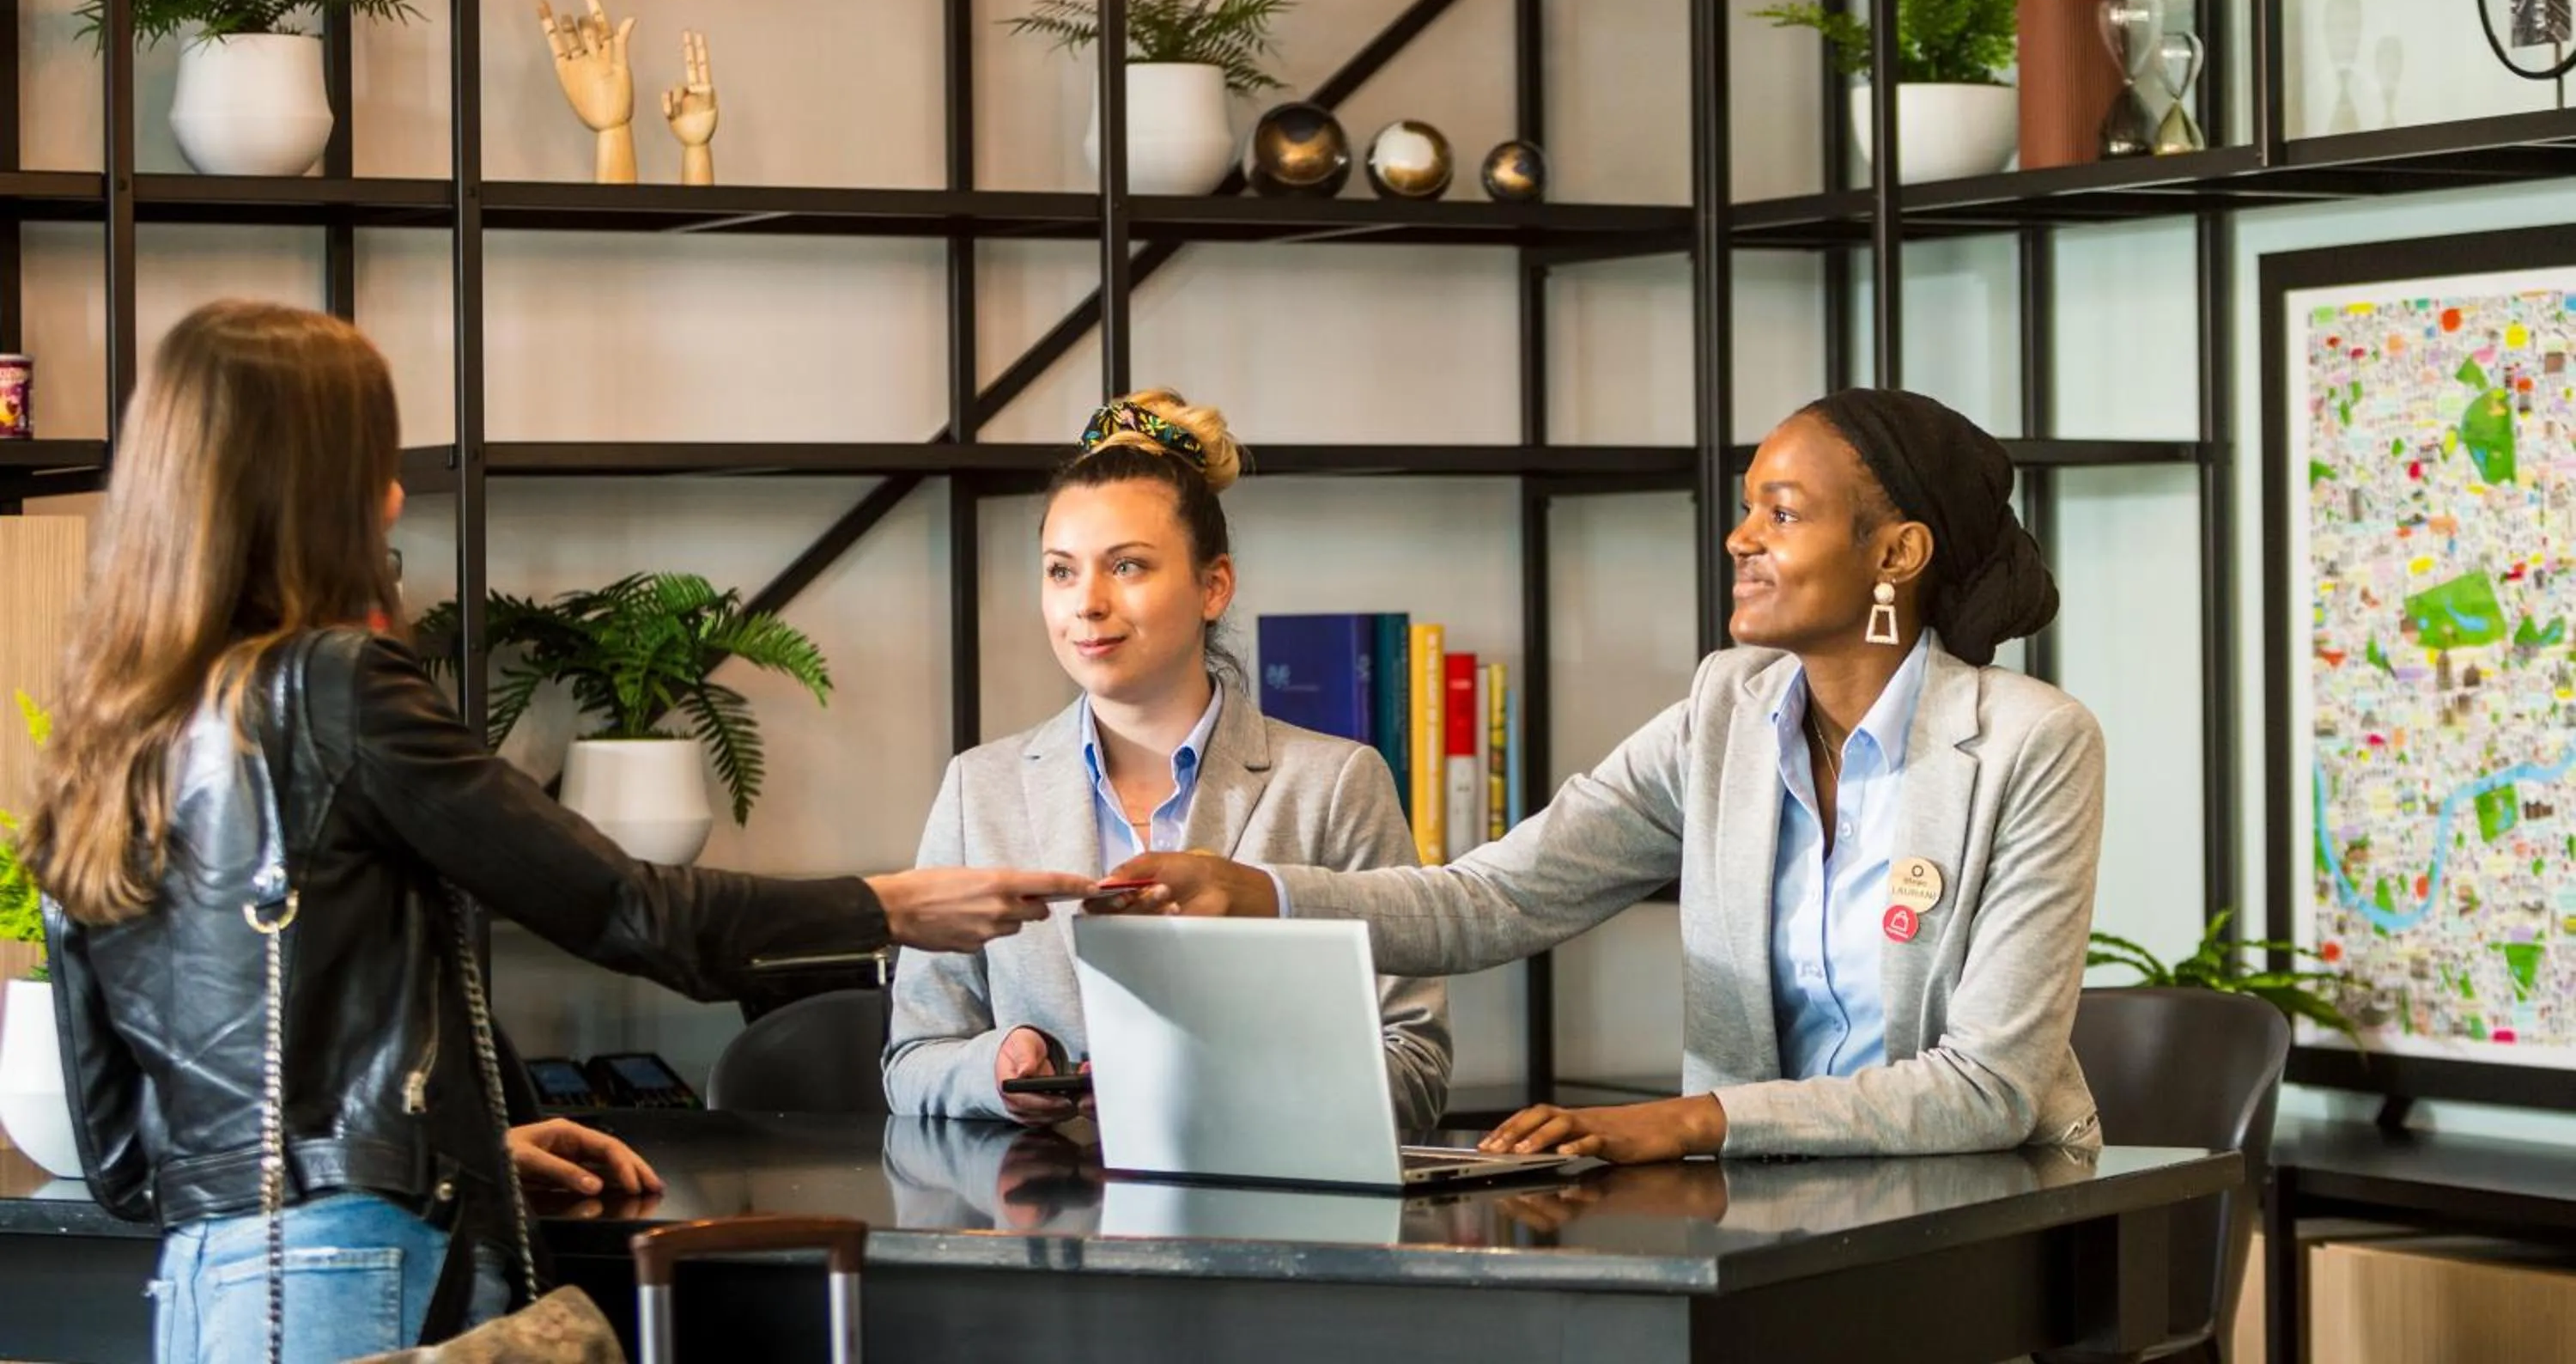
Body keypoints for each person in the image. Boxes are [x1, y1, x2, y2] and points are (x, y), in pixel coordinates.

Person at [25, 301, 1098, 1362]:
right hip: (356, 1266)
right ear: (306, 485)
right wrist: (888, 902)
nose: (394, 494)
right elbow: (626, 905)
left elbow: (123, 1155)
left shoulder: (110, 728)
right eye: (371, 461)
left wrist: (456, 1149)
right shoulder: (334, 690)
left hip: (207, 1282)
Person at [1108, 388, 2105, 1165]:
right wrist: (1261, 892)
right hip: (1767, 1197)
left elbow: (1989, 1087)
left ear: (1897, 552)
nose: (1740, 536)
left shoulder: (2031, 742)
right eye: (1746, 505)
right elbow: (1496, 896)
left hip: (1985, 1202)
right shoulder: (1726, 711)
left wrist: (1689, 1121)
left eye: (1782, 512)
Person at [882, 391, 1451, 1133]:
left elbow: (1416, 1065)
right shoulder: (978, 788)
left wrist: (1214, 1077)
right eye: (1060, 571)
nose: (1086, 603)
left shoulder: (1335, 784)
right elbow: (914, 1058)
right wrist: (994, 1066)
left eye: (1127, 567)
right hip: (1053, 1227)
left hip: (1267, 1222)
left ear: (1214, 585)